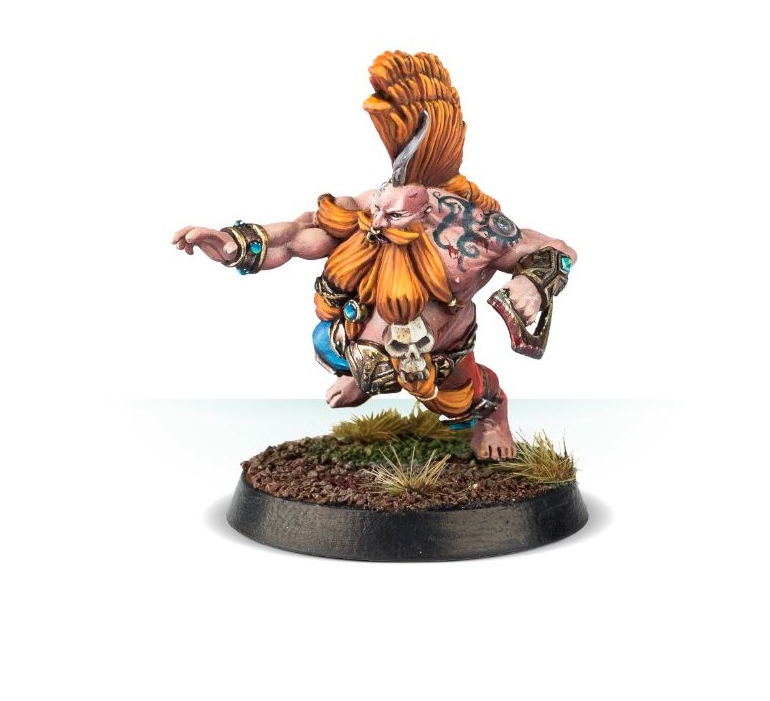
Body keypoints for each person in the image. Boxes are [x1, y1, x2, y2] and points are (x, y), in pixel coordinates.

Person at [172, 51, 576, 460]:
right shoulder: (372, 207)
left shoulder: (474, 229)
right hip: (364, 326)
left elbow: (556, 250)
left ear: (426, 209)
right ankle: (365, 376)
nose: (378, 221)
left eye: (394, 215)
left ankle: (493, 415)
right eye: (380, 207)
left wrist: (533, 282)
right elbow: (297, 236)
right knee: (329, 346)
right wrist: (234, 244)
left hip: (439, 344)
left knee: (461, 398)